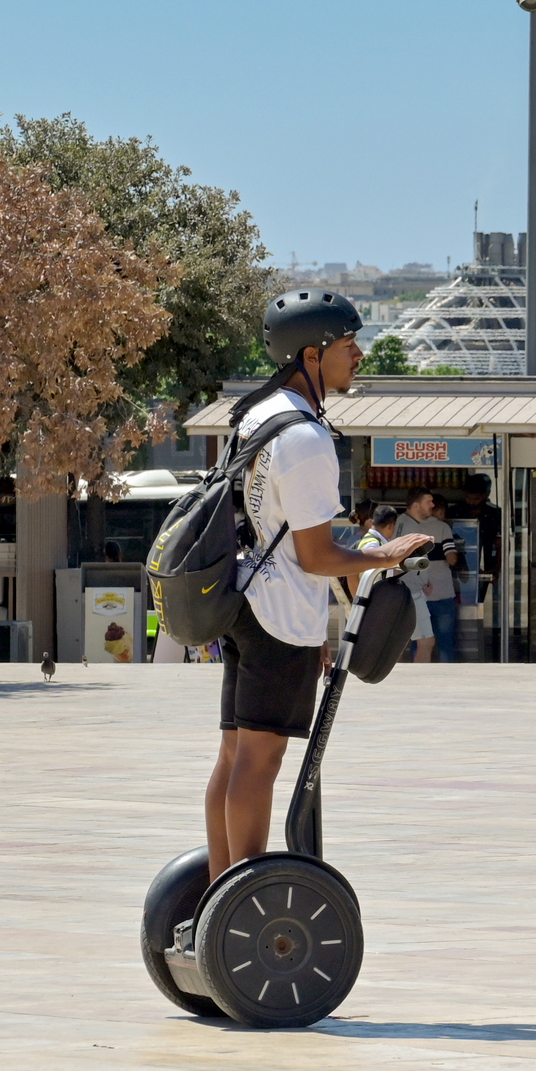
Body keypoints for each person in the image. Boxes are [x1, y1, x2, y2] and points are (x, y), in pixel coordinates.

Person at [204, 290, 433, 885]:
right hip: (280, 615)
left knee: (234, 755)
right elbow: (314, 554)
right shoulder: (305, 437)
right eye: (349, 345)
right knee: (260, 758)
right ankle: (241, 896)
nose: (359, 355)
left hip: (247, 601)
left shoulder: (257, 415)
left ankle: (220, 892)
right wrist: (386, 552)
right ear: (313, 353)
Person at [396, 487, 459, 662]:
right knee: (430, 641)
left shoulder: (414, 525)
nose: (432, 505)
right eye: (428, 502)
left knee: (423, 642)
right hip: (413, 592)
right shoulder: (405, 526)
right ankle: (421, 681)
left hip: (420, 591)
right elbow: (396, 560)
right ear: (416, 505)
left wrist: (424, 579)